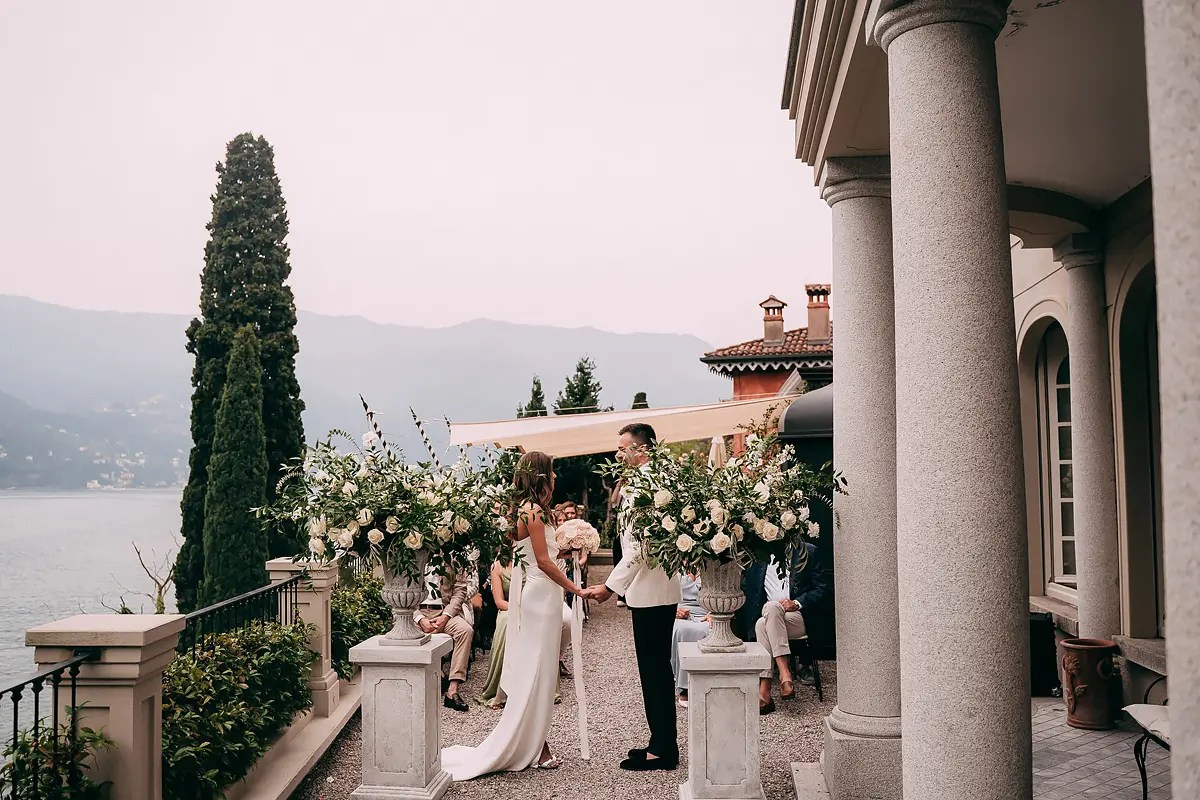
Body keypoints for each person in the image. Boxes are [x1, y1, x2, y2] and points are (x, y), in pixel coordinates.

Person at [442, 452, 587, 779]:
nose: (554, 478)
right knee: (536, 669)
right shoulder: (533, 510)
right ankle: (536, 744)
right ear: (539, 475)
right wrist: (576, 590)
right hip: (540, 594)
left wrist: (567, 548)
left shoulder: (532, 510)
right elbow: (543, 562)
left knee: (541, 668)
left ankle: (536, 739)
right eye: (550, 472)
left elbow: (543, 555)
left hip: (543, 593)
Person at [585, 422, 682, 772]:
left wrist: (610, 587)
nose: (618, 453)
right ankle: (661, 742)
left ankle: (664, 750)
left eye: (623, 448)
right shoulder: (652, 480)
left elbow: (640, 547)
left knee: (654, 669)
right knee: (655, 668)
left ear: (641, 449)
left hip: (652, 591)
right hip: (656, 589)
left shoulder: (648, 484)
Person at [477, 555, 572, 708]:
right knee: (507, 622)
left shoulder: (532, 565)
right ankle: (504, 687)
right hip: (509, 608)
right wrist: (518, 610)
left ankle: (536, 688)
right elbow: (499, 602)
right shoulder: (497, 567)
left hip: (533, 606)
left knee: (541, 623)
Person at [754, 541, 832, 714]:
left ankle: (767, 688)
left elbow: (823, 589)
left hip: (800, 618)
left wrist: (797, 603)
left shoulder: (808, 551)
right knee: (764, 619)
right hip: (772, 619)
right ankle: (783, 677)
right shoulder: (760, 557)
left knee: (769, 613)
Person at [415, 566, 473, 711]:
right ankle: (422, 682)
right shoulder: (411, 554)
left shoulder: (452, 556)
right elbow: (401, 590)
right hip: (416, 612)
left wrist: (445, 617)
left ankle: (452, 690)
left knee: (465, 631)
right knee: (405, 636)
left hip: (444, 611)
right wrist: (420, 618)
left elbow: (460, 591)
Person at [670, 573, 709, 707]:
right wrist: (673, 610)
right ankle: (684, 687)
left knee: (703, 630)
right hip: (679, 612)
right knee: (682, 630)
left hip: (708, 613)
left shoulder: (714, 563)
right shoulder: (672, 563)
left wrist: (716, 613)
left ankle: (704, 682)